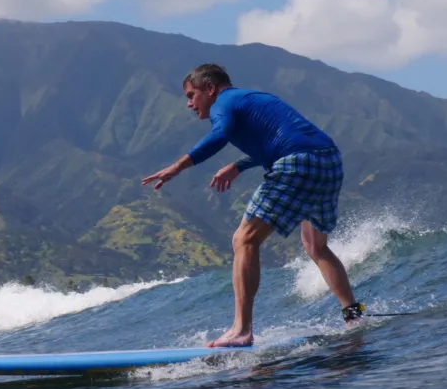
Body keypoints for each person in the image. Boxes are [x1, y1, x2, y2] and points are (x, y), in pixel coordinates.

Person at [142, 63, 363, 348]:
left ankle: (241, 329)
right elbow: (282, 139)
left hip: (298, 163)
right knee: (315, 246)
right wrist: (240, 165)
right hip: (329, 161)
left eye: (191, 95)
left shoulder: (223, 103)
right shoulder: (250, 99)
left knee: (244, 238)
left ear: (209, 89)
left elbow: (219, 135)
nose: (188, 104)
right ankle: (353, 315)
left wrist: (178, 167)